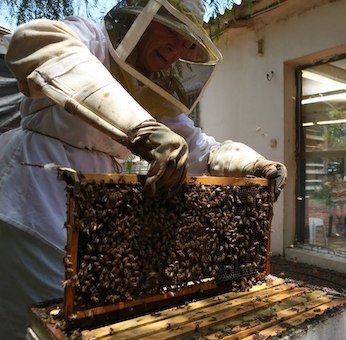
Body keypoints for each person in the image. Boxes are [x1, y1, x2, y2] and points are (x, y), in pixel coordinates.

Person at [0, 1, 287, 337]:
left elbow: (198, 149)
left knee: (83, 318)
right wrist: (139, 128)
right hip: (33, 195)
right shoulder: (90, 39)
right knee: (46, 317)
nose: (176, 50)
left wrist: (252, 164)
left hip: (91, 210)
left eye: (186, 44)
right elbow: (34, 41)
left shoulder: (151, 88)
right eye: (173, 31)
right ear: (143, 16)